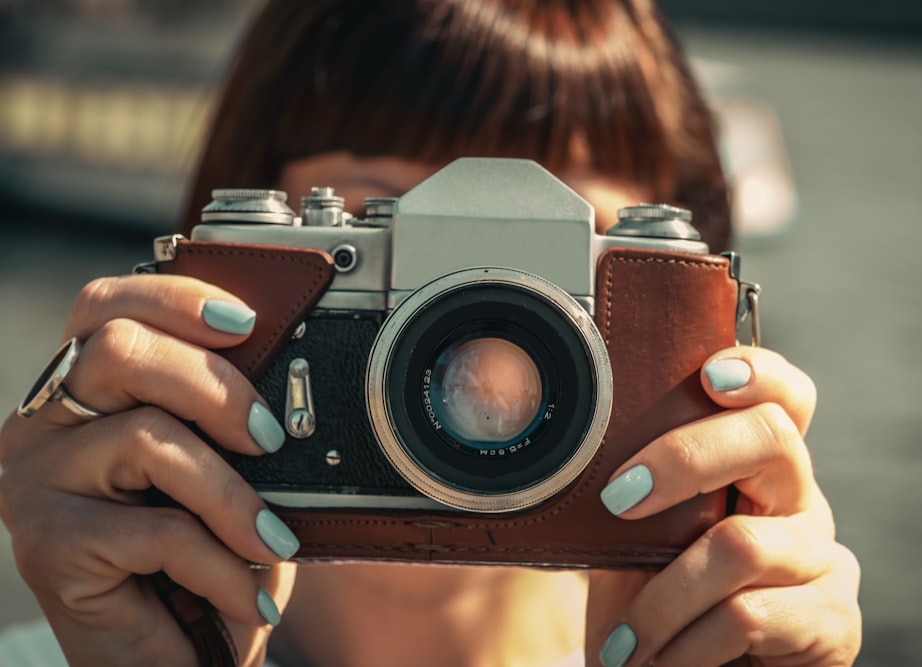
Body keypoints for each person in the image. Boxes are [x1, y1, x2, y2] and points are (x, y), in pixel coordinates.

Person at [0, 1, 862, 666]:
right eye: (383, 219)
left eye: (557, 254)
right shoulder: (76, 648)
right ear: (234, 258)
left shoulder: (743, 646)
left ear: (689, 312)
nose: (471, 323)